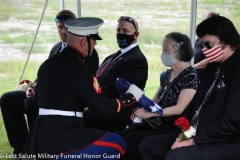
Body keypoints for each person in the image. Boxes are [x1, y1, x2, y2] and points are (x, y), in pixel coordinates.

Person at [21, 17, 144, 159]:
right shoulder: (82, 69)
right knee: (118, 144)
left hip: (39, 134)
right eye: (94, 40)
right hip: (63, 136)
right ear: (84, 43)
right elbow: (106, 109)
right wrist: (131, 97)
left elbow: (37, 103)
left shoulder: (47, 65)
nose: (96, 43)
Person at [0, 10, 99, 157]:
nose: (64, 31)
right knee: (8, 99)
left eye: (67, 27)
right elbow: (46, 74)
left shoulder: (87, 52)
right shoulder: (56, 48)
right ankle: (21, 150)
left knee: (31, 103)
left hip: (63, 103)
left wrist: (40, 91)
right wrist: (33, 87)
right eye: (60, 27)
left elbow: (77, 84)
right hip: (44, 95)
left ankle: (40, 150)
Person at [140, 16, 240, 160]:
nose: (205, 50)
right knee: (149, 145)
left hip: (226, 141)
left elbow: (232, 121)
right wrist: (184, 133)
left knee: (176, 156)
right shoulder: (212, 66)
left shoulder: (236, 70)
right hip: (197, 132)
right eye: (203, 45)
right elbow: (195, 103)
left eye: (209, 45)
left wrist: (192, 141)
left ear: (227, 42)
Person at [116, 32, 199, 160]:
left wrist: (152, 113)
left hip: (174, 125)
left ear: (179, 52)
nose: (163, 53)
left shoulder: (190, 75)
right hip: (157, 121)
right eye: (163, 49)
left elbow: (179, 108)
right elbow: (155, 101)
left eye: (167, 50)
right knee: (120, 137)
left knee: (133, 140)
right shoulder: (167, 75)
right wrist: (141, 109)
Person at [83, 16, 148, 132]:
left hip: (115, 112)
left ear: (136, 35)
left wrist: (92, 95)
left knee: (77, 116)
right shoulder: (114, 56)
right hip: (101, 104)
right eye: (118, 30)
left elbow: (120, 88)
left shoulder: (137, 60)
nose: (121, 34)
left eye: (125, 31)